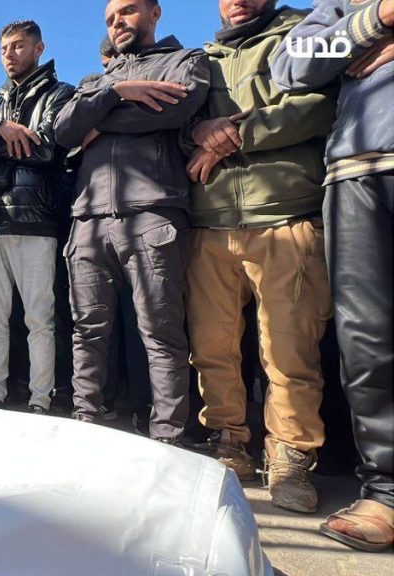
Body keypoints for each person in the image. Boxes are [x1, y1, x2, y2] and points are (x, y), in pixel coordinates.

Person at [183, 0, 337, 513]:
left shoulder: (305, 32)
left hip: (287, 214)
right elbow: (178, 122)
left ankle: (291, 454)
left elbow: (318, 104)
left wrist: (233, 136)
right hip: (210, 221)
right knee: (212, 347)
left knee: (290, 350)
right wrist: (196, 132)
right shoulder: (200, 59)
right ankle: (229, 441)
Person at [53, 0, 210, 444]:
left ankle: (168, 439)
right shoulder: (95, 80)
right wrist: (116, 92)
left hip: (153, 211)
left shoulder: (185, 61)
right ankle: (87, 424)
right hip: (87, 218)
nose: (117, 22)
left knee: (160, 332)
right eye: (109, 19)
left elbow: (172, 109)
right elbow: (63, 130)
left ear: (155, 12)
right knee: (87, 331)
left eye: (126, 11)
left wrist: (98, 124)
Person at [272, 0, 394, 552]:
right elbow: (292, 63)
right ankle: (386, 492)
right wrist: (377, 21)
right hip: (355, 171)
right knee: (366, 338)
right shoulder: (342, 7)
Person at [0, 20, 76, 414]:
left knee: (39, 318)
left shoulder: (59, 93)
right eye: (4, 48)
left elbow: (45, 149)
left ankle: (42, 399)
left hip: (35, 221)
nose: (10, 54)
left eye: (19, 46)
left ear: (39, 48)